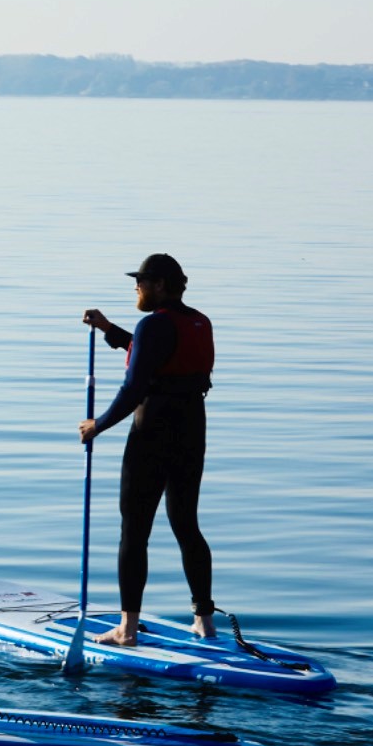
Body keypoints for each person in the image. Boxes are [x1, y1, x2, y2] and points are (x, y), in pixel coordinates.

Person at [78, 253, 216, 645]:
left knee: (134, 531)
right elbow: (151, 353)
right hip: (192, 430)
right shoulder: (197, 321)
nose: (135, 287)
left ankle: (128, 628)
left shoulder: (153, 324)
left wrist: (97, 425)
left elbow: (134, 387)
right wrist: (108, 329)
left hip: (153, 432)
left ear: (158, 285)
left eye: (140, 281)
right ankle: (204, 621)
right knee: (186, 525)